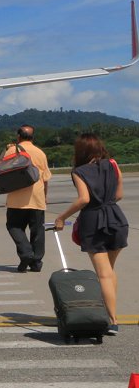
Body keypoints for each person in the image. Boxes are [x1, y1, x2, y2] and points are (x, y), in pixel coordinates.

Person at [53, 133, 128, 335]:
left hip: (94, 222)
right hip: (116, 218)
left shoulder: (79, 171)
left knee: (103, 273)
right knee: (109, 270)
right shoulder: (113, 164)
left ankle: (112, 320)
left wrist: (61, 217)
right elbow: (119, 194)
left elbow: (84, 199)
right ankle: (110, 312)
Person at [2, 125, 52, 272]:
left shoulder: (11, 150)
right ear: (33, 137)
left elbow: (2, 169)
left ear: (18, 136)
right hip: (36, 197)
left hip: (16, 197)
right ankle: (36, 263)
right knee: (37, 231)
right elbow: (45, 178)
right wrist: (45, 196)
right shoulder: (40, 153)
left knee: (14, 226)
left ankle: (25, 254)